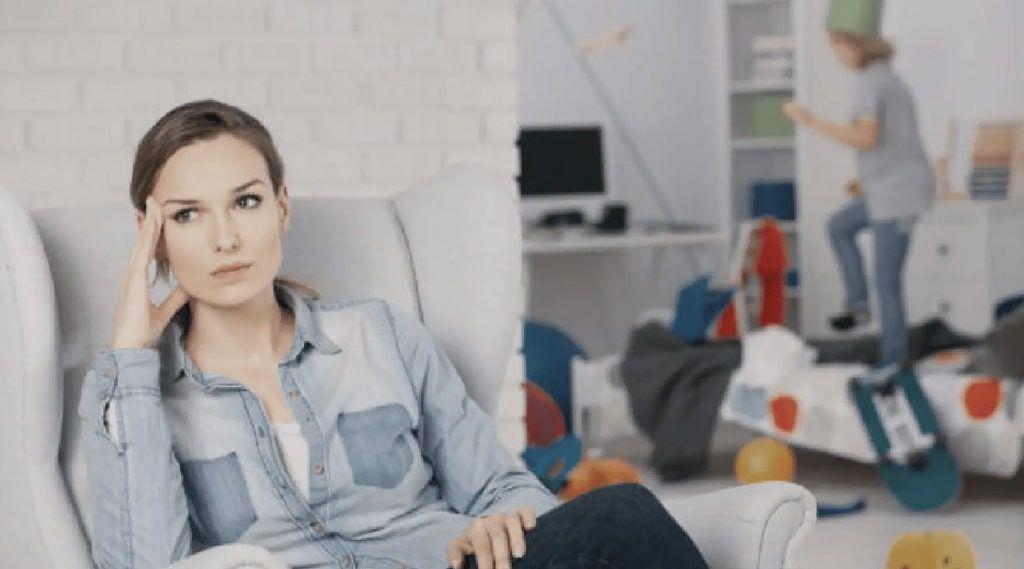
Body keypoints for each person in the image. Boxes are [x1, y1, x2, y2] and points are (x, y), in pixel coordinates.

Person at [78, 99, 709, 569]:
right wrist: (131, 359)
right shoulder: (135, 399)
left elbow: (499, 484)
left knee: (623, 511)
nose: (224, 238)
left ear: (282, 207)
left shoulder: (377, 334)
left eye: (245, 202)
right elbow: (142, 565)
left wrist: (497, 525)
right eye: (187, 214)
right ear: (152, 234)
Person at [783, 0, 933, 369]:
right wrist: (865, 180)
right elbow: (895, 141)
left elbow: (866, 138)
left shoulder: (869, 81)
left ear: (852, 43)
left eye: (836, 45)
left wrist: (810, 121)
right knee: (839, 226)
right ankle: (858, 304)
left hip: (898, 197)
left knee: (887, 282)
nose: (835, 54)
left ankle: (893, 363)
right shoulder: (886, 76)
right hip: (888, 186)